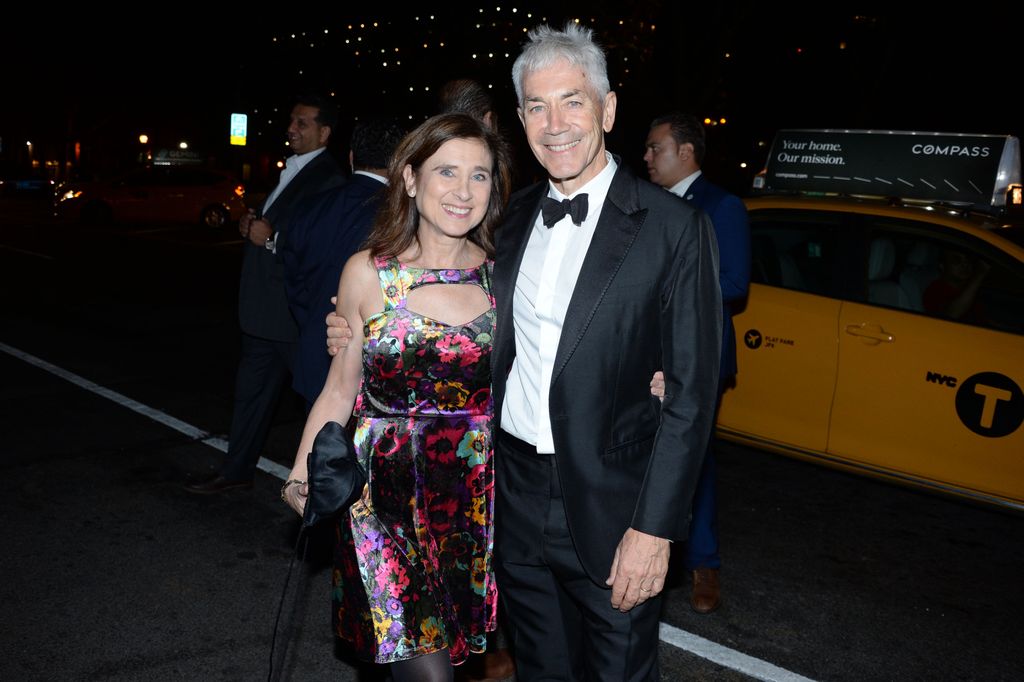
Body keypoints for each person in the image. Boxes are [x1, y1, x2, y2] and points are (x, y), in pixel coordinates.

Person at [486, 24, 721, 680]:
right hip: (515, 497)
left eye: (573, 101)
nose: (554, 123)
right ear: (521, 119)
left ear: (609, 109)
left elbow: (693, 393)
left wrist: (655, 529)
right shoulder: (510, 216)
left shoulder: (675, 228)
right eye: (537, 106)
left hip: (616, 509)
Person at [282, 113, 513, 682]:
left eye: (480, 176)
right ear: (409, 179)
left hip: (472, 504)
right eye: (447, 172)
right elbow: (340, 387)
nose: (463, 191)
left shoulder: (505, 278)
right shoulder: (367, 273)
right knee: (425, 674)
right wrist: (299, 474)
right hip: (381, 501)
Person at [186, 94, 345, 494]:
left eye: (302, 123)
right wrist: (252, 224)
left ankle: (330, 486)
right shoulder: (291, 170)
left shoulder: (328, 177)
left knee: (322, 403)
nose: (291, 128)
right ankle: (235, 471)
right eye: (292, 120)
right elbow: (280, 222)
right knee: (250, 398)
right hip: (262, 315)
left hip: (293, 317)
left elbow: (323, 241)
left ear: (324, 133)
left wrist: (273, 238)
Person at [644, 112, 751, 613]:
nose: (647, 157)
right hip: (647, 355)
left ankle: (703, 564)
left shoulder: (721, 205)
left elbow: (733, 283)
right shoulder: (646, 205)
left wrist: (664, 288)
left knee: (694, 460)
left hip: (697, 356)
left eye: (655, 148)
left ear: (685, 152)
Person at [282, 118, 406, 410]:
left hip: (314, 355)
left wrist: (313, 321)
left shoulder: (310, 207)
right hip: (372, 370)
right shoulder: (400, 216)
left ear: (351, 157)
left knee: (319, 448)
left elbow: (293, 280)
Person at [922, 247, 990, 323]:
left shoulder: (967, 288)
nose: (965, 264)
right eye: (956, 260)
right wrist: (980, 274)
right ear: (942, 266)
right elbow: (950, 315)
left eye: (968, 260)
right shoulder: (934, 290)